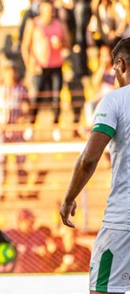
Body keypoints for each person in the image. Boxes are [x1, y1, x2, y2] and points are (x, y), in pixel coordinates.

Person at [60, 37, 130, 294]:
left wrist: (69, 197)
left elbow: (89, 158)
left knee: (102, 290)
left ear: (120, 64)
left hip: (123, 220)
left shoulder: (114, 100)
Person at [21, 0, 69, 141]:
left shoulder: (59, 24)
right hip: (39, 66)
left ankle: (55, 126)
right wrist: (29, 64)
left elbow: (68, 44)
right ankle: (31, 125)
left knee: (56, 97)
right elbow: (25, 46)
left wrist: (61, 44)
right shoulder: (34, 24)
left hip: (56, 65)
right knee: (36, 97)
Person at [0, 61, 29, 200]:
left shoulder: (22, 89)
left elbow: (27, 106)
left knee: (20, 161)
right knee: (0, 161)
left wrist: (24, 117)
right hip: (1, 130)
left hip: (17, 130)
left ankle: (21, 189)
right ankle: (0, 189)